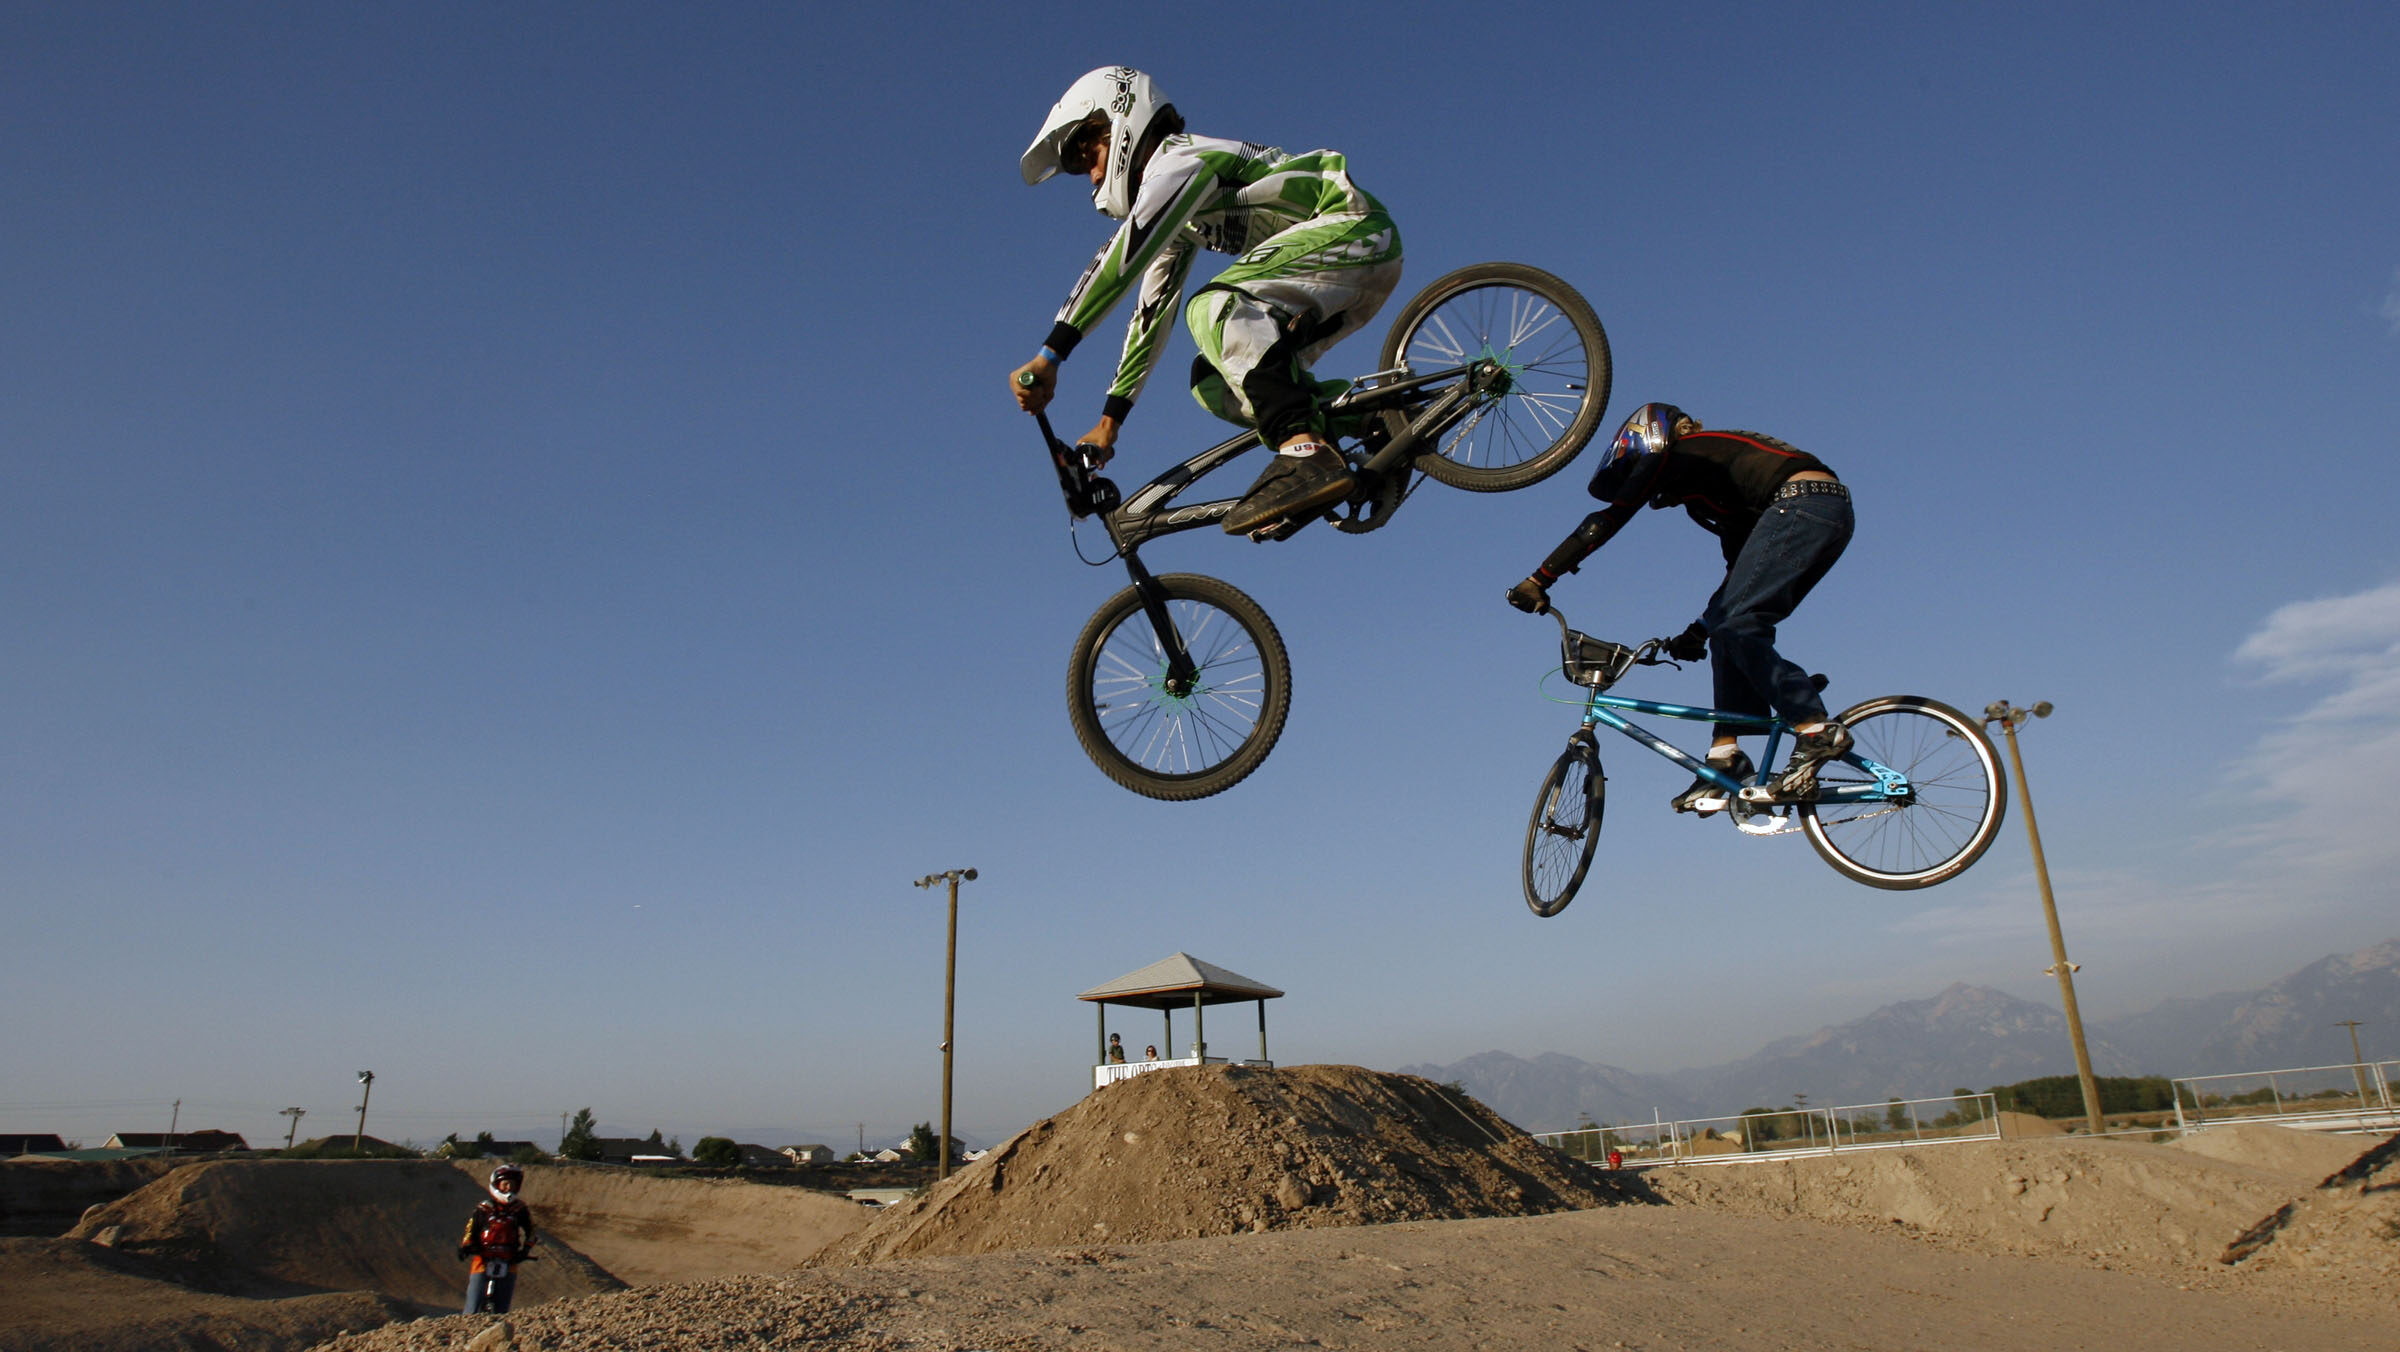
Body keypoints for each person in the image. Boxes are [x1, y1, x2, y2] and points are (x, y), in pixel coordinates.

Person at [1009, 66, 1404, 539]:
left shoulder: (1179, 161)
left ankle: (1303, 450)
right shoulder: (1182, 217)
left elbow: (1120, 261)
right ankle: (1376, 419)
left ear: (1122, 121)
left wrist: (1049, 355)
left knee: (1213, 307)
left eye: (1091, 153)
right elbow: (1150, 316)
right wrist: (1109, 423)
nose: (1093, 174)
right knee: (1213, 380)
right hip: (1336, 268)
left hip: (1353, 231)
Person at [1507, 403, 1855, 807]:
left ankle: (1814, 727)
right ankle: (1725, 756)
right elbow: (1737, 576)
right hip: (1824, 512)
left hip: (1804, 503)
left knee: (1737, 624)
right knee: (1729, 625)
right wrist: (1698, 631)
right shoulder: (1717, 491)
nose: (1648, 491)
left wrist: (1540, 578)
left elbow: (1607, 519)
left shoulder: (1681, 452)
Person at [457, 1162, 537, 1315]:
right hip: (483, 1257)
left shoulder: (519, 1209)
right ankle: (467, 1329)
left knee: (502, 1308)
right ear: (497, 1184)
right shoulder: (484, 1208)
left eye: (513, 1185)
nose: (509, 1188)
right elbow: (471, 1229)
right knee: (472, 1305)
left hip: (509, 1259)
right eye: (505, 1184)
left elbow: (532, 1230)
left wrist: (526, 1249)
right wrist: (467, 1246)